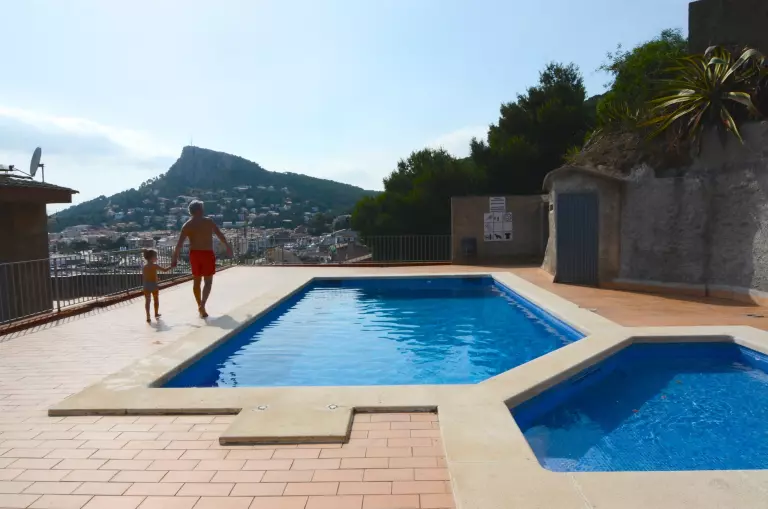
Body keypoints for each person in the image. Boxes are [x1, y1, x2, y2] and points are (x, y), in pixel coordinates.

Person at [171, 200, 233, 318]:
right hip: (207, 254)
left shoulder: (187, 225)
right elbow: (220, 235)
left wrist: (174, 258)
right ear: (199, 210)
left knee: (197, 281)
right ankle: (202, 305)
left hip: (195, 254)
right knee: (208, 282)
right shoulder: (208, 221)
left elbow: (179, 244)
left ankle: (200, 305)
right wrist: (228, 247)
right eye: (202, 208)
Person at [142, 248, 171, 323]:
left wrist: (155, 278)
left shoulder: (144, 267)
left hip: (146, 286)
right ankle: (156, 313)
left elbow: (146, 276)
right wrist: (172, 266)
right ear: (152, 257)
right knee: (156, 300)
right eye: (156, 256)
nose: (157, 258)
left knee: (147, 301)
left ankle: (148, 316)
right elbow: (165, 270)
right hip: (154, 285)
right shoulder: (155, 266)